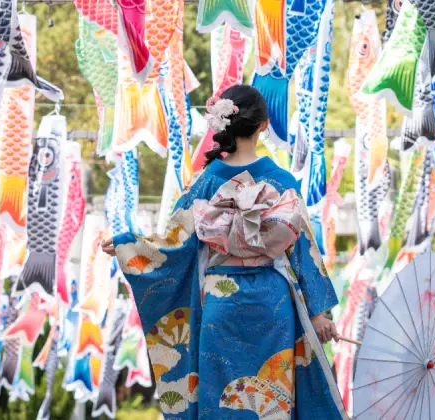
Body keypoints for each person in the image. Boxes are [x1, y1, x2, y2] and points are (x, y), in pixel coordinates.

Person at [102, 85, 347, 419]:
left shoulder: (205, 181)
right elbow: (302, 248)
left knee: (223, 402)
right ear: (263, 125)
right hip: (271, 303)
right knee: (270, 398)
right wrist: (318, 313)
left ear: (225, 125)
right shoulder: (281, 180)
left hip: (222, 303)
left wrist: (128, 245)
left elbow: (173, 242)